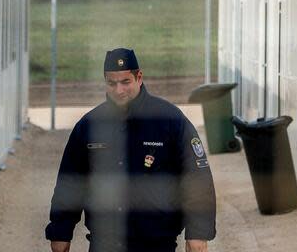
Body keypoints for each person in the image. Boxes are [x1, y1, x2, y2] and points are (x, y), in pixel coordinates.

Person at [45, 48, 217, 252]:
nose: (119, 90)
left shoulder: (170, 121)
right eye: (112, 83)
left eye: (125, 82)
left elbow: (197, 178)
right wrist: (60, 231)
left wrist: (197, 232)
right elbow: (70, 182)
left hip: (156, 242)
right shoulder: (89, 126)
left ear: (139, 77)